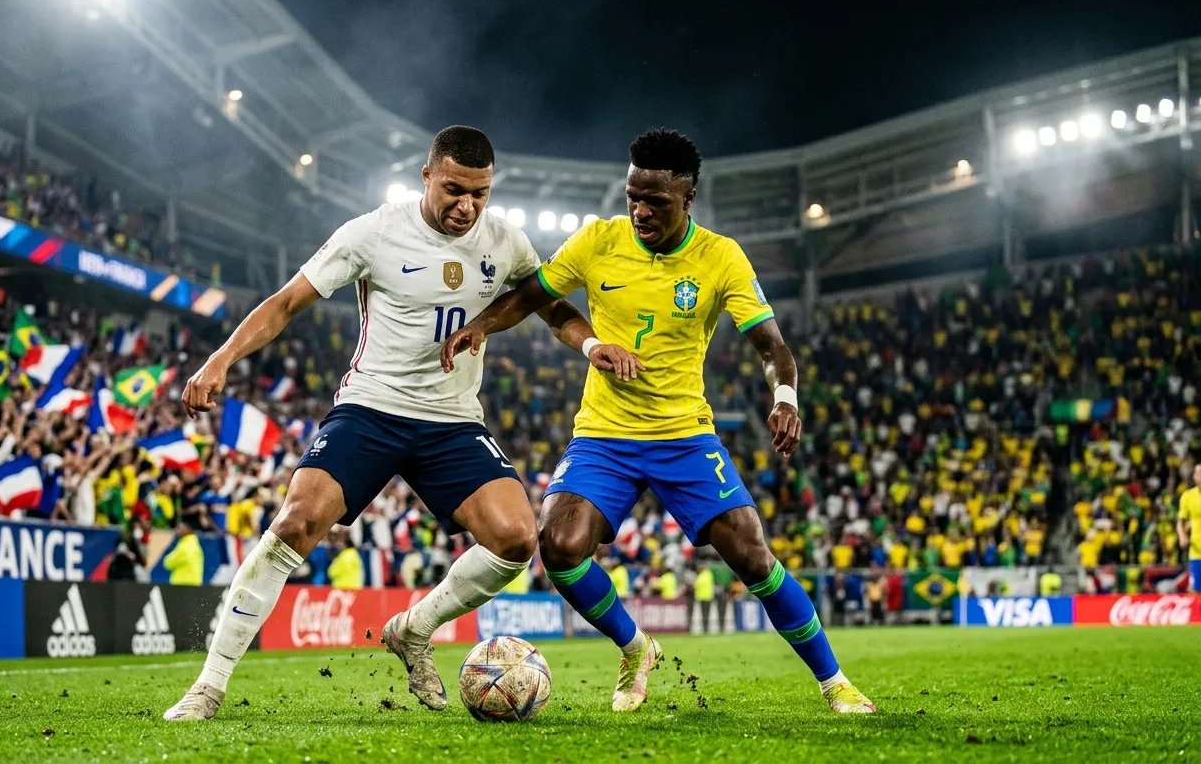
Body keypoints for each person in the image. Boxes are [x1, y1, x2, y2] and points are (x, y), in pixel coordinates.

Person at [165, 125, 634, 721]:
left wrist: (590, 343)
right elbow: (285, 303)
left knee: (518, 539)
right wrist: (220, 359)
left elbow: (551, 305)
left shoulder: (506, 241)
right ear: (427, 177)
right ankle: (208, 687)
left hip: (453, 422)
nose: (467, 206)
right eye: (455, 190)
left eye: (481, 194)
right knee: (296, 521)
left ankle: (414, 629)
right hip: (372, 407)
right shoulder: (373, 232)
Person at [442, 128, 876, 714]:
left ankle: (835, 682)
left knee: (752, 556)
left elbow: (773, 348)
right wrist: (482, 326)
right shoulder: (598, 240)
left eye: (657, 202)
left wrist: (786, 400)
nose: (641, 211)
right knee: (560, 545)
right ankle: (634, 648)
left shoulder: (720, 257)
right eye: (633, 198)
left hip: (683, 436)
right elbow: (535, 293)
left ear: (687, 198)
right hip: (604, 434)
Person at [1177, 463, 1201, 593]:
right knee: (1196, 590)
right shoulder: (1188, 496)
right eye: (1198, 474)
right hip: (1197, 551)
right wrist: (1182, 535)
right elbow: (1180, 521)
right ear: (1194, 477)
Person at [163, 521, 204, 586]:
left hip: (184, 583)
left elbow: (168, 563)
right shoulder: (192, 543)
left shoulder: (187, 546)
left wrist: (167, 560)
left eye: (180, 528)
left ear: (189, 529)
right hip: (192, 583)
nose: (178, 530)